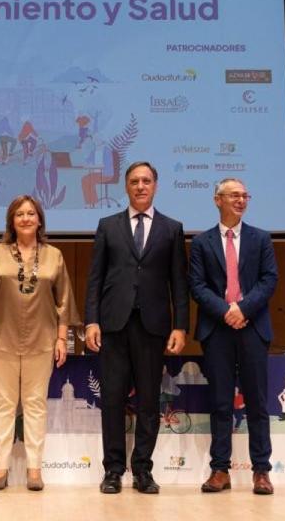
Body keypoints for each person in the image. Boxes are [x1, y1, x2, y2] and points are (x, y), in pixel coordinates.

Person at [84, 161, 188, 495]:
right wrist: (91, 320)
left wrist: (180, 326)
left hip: (153, 327)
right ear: (126, 186)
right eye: (134, 181)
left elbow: (179, 283)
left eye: (146, 181)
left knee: (148, 402)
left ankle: (143, 470)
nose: (140, 186)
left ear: (155, 185)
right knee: (112, 400)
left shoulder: (172, 228)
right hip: (113, 325)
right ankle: (113, 471)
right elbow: (95, 279)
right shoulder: (107, 225)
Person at [0, 195, 78, 491]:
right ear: (12, 221)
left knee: (35, 405)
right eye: (19, 214)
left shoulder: (54, 255)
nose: (26, 218)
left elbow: (64, 301)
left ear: (40, 220)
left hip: (42, 341)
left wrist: (62, 338)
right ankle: (0, 468)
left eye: (31, 213)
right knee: (3, 405)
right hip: (0, 340)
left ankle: (34, 470)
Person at [190, 177, 278, 495]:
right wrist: (227, 311)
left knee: (257, 403)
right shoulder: (201, 243)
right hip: (217, 330)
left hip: (252, 327)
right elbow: (197, 285)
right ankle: (219, 470)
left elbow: (269, 280)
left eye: (245, 196)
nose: (241, 200)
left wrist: (242, 309)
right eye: (234, 195)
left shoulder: (260, 239)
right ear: (218, 200)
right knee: (220, 403)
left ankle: (261, 471)